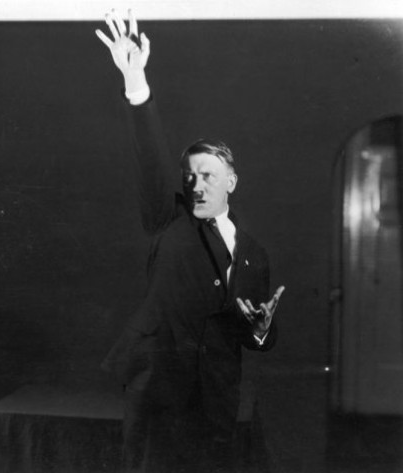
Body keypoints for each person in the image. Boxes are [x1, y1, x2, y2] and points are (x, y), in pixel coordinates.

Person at [96, 10, 285, 473]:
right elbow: (151, 160)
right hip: (157, 393)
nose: (196, 185)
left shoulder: (254, 255)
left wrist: (261, 328)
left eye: (208, 176)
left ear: (231, 182)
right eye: (190, 177)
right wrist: (135, 81)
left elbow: (256, 340)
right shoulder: (169, 219)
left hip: (215, 399)